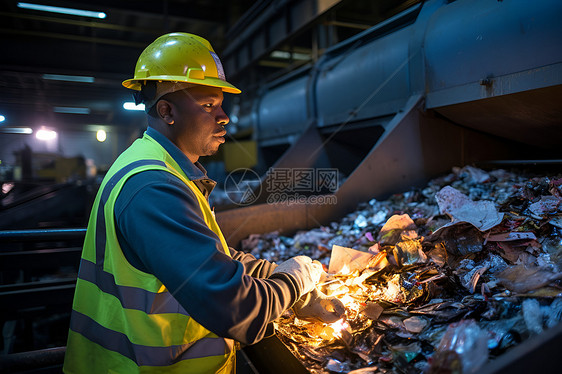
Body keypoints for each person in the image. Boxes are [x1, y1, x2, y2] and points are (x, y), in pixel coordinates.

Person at [63, 32, 344, 373]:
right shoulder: (153, 188)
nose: (224, 117)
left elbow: (213, 258)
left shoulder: (160, 168)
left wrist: (286, 282)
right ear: (167, 111)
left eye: (221, 104)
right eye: (209, 105)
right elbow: (234, 310)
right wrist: (294, 280)